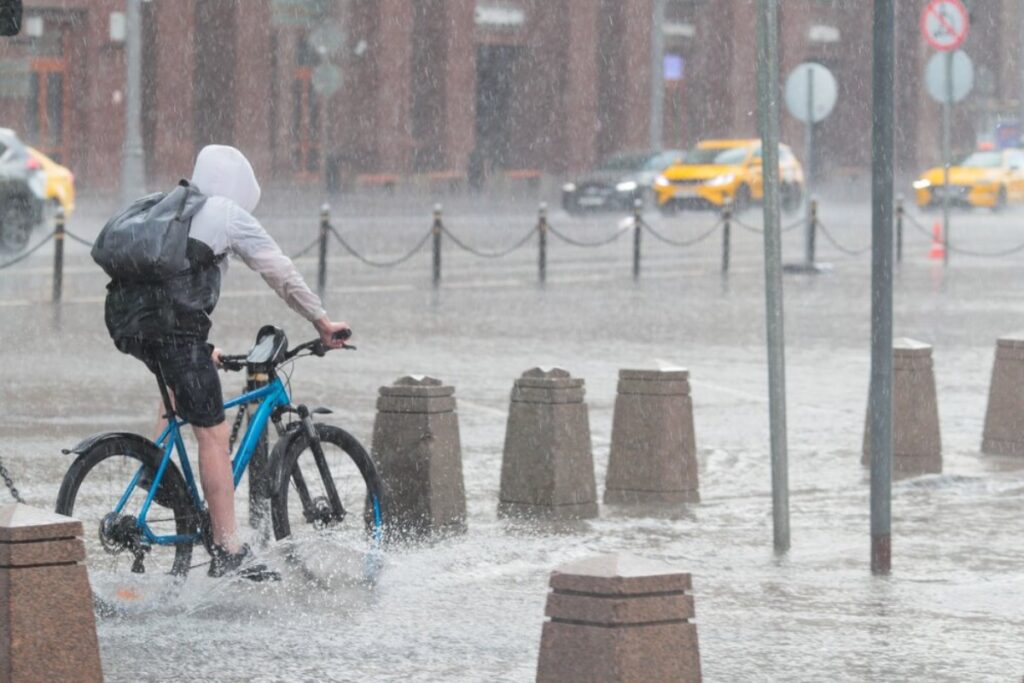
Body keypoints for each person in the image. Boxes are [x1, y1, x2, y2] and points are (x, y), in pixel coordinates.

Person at [105, 145, 350, 579]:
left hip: (131, 323)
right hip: (172, 329)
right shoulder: (226, 213)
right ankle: (227, 546)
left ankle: (155, 473)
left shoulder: (172, 207)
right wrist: (322, 320)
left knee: (180, 383)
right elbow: (280, 272)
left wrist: (204, 347)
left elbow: (168, 283)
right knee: (214, 433)